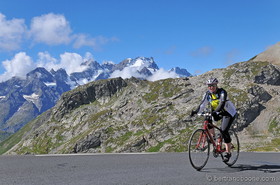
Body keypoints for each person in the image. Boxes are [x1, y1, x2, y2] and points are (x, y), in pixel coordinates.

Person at [190, 77, 237, 162]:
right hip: (216, 112)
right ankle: (213, 138)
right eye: (209, 86)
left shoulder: (222, 92)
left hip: (228, 112)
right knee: (207, 120)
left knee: (224, 130)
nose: (211, 87)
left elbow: (222, 103)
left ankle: (228, 152)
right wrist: (195, 112)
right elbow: (202, 105)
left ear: (216, 85)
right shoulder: (207, 94)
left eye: (213, 85)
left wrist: (215, 112)